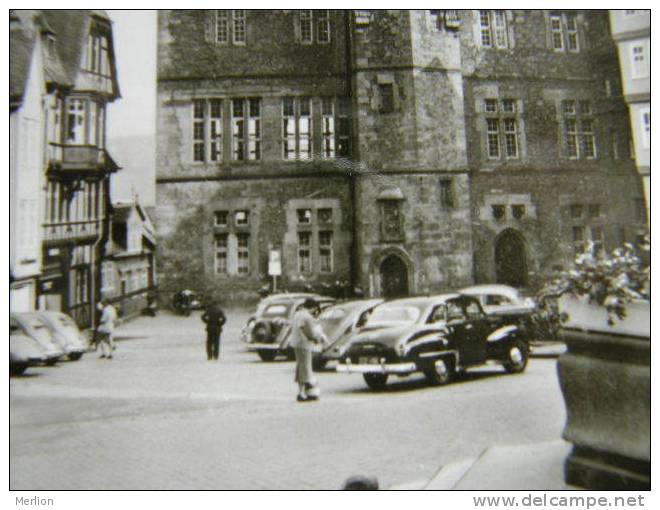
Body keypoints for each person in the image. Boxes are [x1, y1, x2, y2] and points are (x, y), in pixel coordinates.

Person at [289, 298, 327, 402]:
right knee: (305, 368)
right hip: (304, 344)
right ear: (313, 307)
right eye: (315, 309)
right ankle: (304, 393)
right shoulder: (307, 317)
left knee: (301, 367)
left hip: (296, 343)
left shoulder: (298, 314)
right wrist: (315, 339)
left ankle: (302, 392)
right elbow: (309, 332)